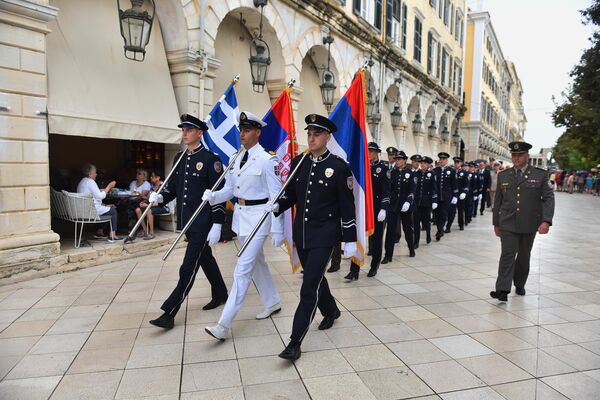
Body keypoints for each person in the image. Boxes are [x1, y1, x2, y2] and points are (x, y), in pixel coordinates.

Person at [270, 114, 357, 361]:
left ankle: (294, 341)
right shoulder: (300, 162)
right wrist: (277, 206)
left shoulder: (340, 167)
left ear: (327, 137)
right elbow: (290, 195)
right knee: (315, 278)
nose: (311, 137)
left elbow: (347, 206)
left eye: (316, 134)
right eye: (309, 133)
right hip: (303, 234)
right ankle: (331, 310)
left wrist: (349, 239)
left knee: (308, 286)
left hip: (325, 236)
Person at [203, 111, 285, 340]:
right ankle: (273, 301)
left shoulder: (268, 160)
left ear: (258, 133)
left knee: (242, 270)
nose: (242, 134)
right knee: (258, 263)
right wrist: (214, 197)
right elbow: (230, 190)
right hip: (241, 217)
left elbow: (276, 196)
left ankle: (223, 325)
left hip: (259, 219)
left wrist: (278, 229)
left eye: (247, 130)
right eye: (241, 130)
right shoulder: (236, 157)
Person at [147, 114, 229, 329]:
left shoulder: (212, 160)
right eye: (183, 129)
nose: (184, 133)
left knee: (188, 267)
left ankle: (169, 312)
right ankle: (220, 293)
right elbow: (173, 189)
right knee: (205, 259)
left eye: (189, 130)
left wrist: (218, 224)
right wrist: (161, 197)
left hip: (203, 222)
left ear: (200, 133)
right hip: (187, 222)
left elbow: (218, 195)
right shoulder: (179, 158)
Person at [490, 141, 554, 302]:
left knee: (524, 256)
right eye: (514, 155)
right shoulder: (504, 175)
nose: (516, 158)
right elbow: (498, 202)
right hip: (507, 223)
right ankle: (502, 289)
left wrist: (546, 221)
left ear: (527, 156)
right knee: (507, 254)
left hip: (529, 222)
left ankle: (519, 283)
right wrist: (496, 223)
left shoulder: (539, 175)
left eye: (520, 155)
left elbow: (548, 198)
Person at [345, 142, 390, 279]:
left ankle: (374, 266)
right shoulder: (361, 168)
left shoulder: (382, 169)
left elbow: (386, 191)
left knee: (376, 241)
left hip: (376, 209)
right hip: (361, 208)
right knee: (357, 238)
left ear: (377, 153)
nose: (369, 154)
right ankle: (354, 270)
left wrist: (383, 209)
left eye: (371, 151)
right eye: (367, 151)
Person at [383, 150, 416, 262]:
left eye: (400, 159)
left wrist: (408, 201)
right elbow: (388, 189)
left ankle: (411, 248)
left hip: (405, 206)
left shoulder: (410, 173)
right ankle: (388, 255)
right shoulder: (392, 172)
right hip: (393, 205)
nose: (397, 161)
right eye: (396, 159)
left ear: (405, 160)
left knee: (407, 229)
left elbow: (412, 190)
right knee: (390, 231)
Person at [76, 164, 119, 242]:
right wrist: (109, 187)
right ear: (90, 174)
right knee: (113, 211)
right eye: (95, 172)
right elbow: (100, 196)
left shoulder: (82, 181)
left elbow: (93, 198)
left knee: (107, 209)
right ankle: (112, 235)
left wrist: (105, 205)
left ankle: (100, 232)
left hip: (84, 208)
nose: (96, 174)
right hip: (90, 210)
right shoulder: (90, 182)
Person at [134, 171, 168, 240]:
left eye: (152, 176)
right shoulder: (153, 186)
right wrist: (143, 202)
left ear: (158, 178)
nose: (151, 177)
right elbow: (149, 199)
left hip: (163, 206)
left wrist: (147, 205)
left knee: (149, 211)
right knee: (138, 210)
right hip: (153, 205)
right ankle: (145, 231)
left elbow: (161, 202)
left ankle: (151, 233)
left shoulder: (163, 186)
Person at [433, 152, 458, 241]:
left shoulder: (451, 171)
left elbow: (454, 184)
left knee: (443, 214)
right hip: (437, 197)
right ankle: (440, 228)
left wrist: (455, 196)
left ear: (447, 161)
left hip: (447, 197)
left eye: (443, 159)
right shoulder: (435, 171)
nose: (441, 161)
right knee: (437, 214)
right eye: (440, 159)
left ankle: (440, 230)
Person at [413, 156, 437, 247]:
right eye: (421, 163)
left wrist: (434, 200)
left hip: (427, 202)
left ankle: (428, 235)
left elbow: (434, 188)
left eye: (425, 163)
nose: (422, 164)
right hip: (417, 202)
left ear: (429, 165)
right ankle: (416, 241)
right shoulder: (416, 173)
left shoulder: (432, 174)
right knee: (416, 223)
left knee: (426, 221)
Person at [446, 157, 469, 232]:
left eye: (457, 162)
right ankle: (448, 227)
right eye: (455, 162)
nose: (456, 164)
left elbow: (466, 184)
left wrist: (464, 193)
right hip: (452, 195)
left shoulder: (464, 172)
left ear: (461, 163)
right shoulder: (451, 172)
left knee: (460, 211)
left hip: (460, 195)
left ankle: (461, 224)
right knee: (451, 211)